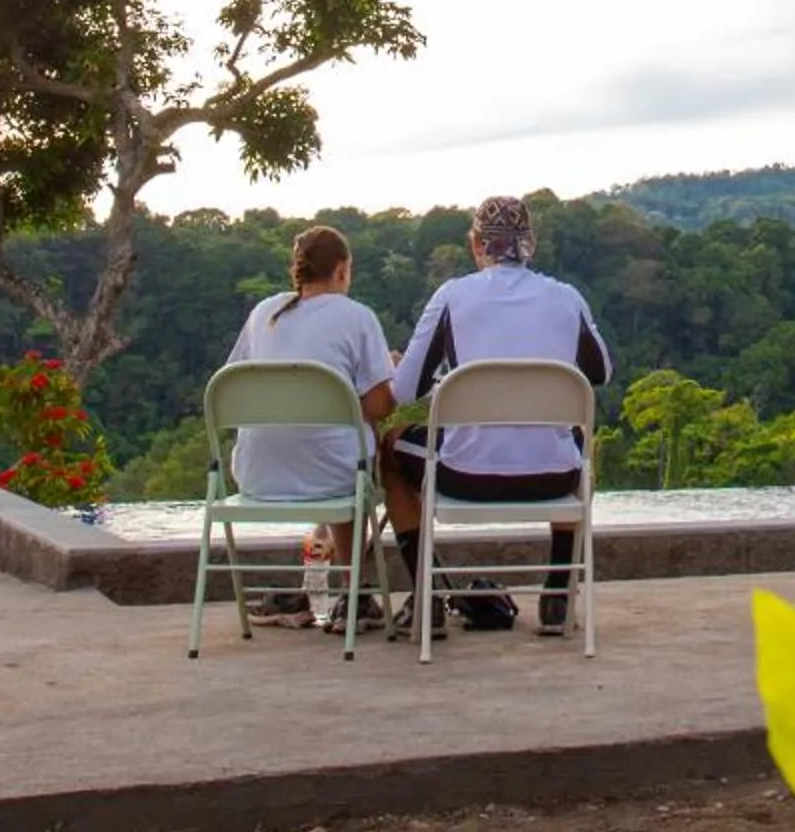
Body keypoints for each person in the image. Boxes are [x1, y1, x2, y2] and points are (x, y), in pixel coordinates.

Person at [383, 193, 612, 637]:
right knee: (580, 443)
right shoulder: (567, 299)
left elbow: (405, 390)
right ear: (531, 245)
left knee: (391, 445)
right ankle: (557, 591)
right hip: (555, 478)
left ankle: (427, 596)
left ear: (476, 246)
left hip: (461, 475)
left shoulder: (452, 297)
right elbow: (599, 373)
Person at [223, 224, 394, 630]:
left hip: (256, 476)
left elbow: (235, 387)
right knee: (352, 467)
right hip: (333, 475)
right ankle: (354, 593)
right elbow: (380, 405)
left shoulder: (263, 314)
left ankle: (311, 588)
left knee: (331, 458)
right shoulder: (356, 317)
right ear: (342, 269)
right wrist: (391, 371)